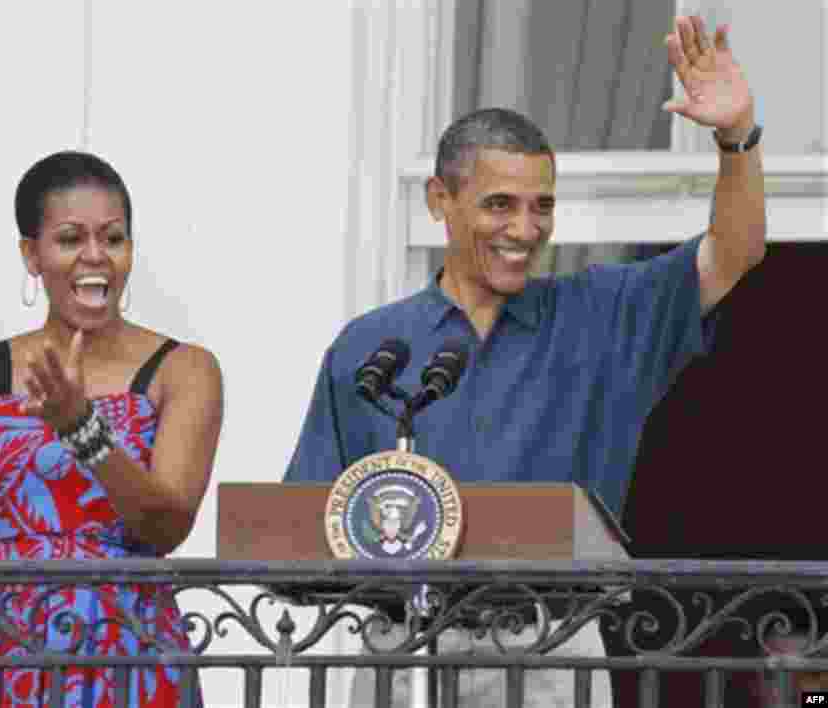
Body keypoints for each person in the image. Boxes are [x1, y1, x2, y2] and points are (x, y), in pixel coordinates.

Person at [284, 15, 765, 708]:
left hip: (548, 649)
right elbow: (310, 517)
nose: (525, 229)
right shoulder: (371, 347)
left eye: (542, 207)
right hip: (401, 650)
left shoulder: (601, 312)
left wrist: (736, 138)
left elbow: (735, 251)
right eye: (500, 205)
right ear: (440, 201)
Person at [0, 150, 223, 707]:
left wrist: (85, 432)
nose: (96, 257)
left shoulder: (185, 369)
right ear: (32, 255)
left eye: (115, 238)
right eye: (71, 238)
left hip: (127, 644)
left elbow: (167, 527)